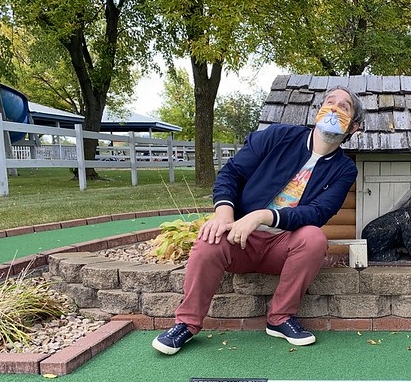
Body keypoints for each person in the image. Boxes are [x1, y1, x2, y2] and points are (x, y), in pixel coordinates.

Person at [152, 86, 365, 355]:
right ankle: (186, 323)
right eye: (329, 102)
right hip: (240, 237)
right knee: (209, 239)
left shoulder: (344, 169)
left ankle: (280, 318)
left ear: (353, 127)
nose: (333, 109)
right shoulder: (278, 136)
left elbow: (318, 212)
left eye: (343, 107)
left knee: (314, 238)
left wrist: (263, 215)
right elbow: (231, 173)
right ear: (317, 113)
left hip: (283, 246)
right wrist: (224, 215)